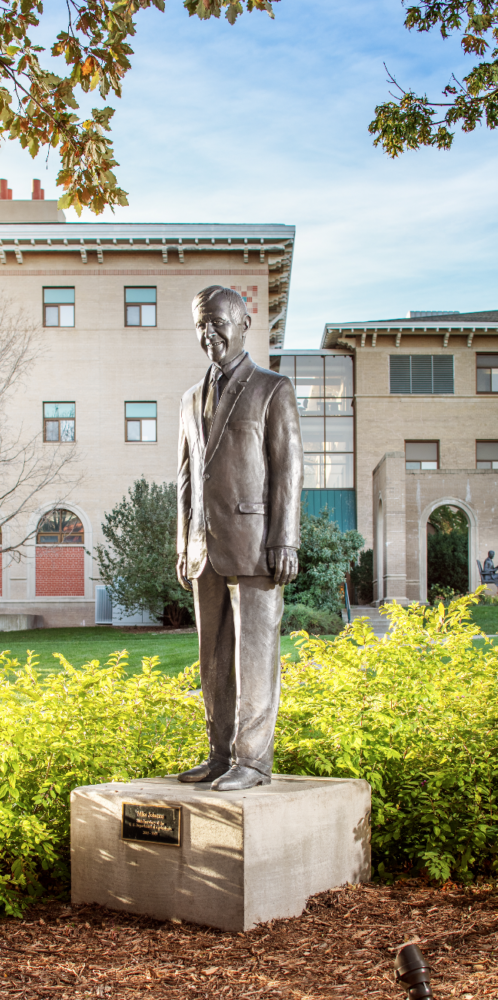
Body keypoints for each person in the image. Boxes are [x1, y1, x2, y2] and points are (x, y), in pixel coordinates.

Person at [176, 285, 303, 792]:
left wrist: (285, 539)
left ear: (244, 324)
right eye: (201, 325)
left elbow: (288, 468)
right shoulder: (189, 398)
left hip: (257, 544)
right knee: (213, 659)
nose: (209, 333)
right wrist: (183, 542)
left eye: (218, 322)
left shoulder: (272, 388)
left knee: (255, 655)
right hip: (204, 547)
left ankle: (252, 761)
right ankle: (217, 754)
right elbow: (184, 478)